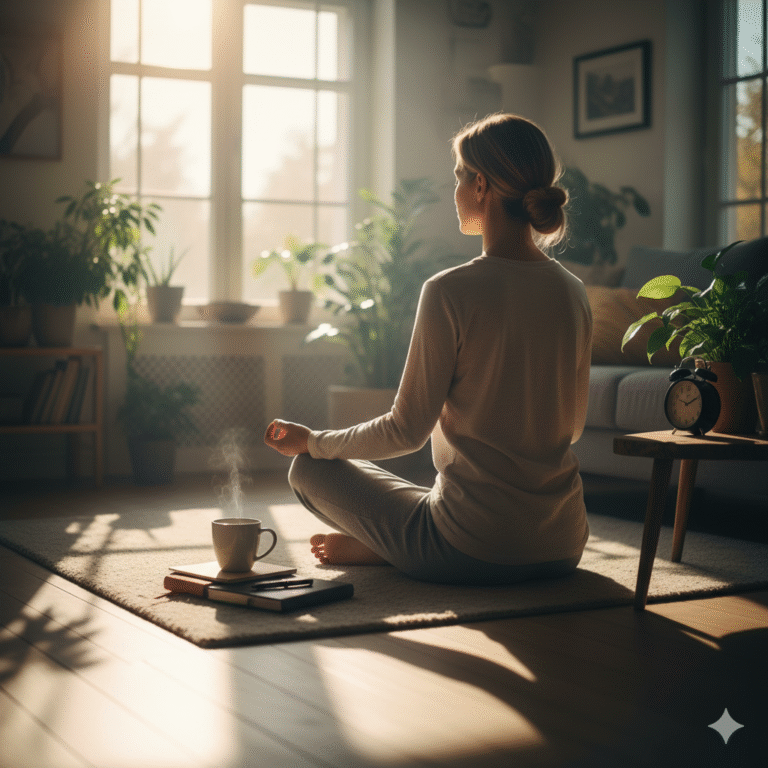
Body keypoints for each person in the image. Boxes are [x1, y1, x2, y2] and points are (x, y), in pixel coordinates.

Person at [264, 113, 592, 586]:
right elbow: (574, 427)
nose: (455, 191)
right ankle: (395, 543)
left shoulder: (449, 290)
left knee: (309, 470)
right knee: (425, 495)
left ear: (480, 186)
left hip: (470, 548)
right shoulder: (574, 291)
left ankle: (395, 548)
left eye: (459, 177)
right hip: (562, 546)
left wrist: (313, 441)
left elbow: (405, 431)